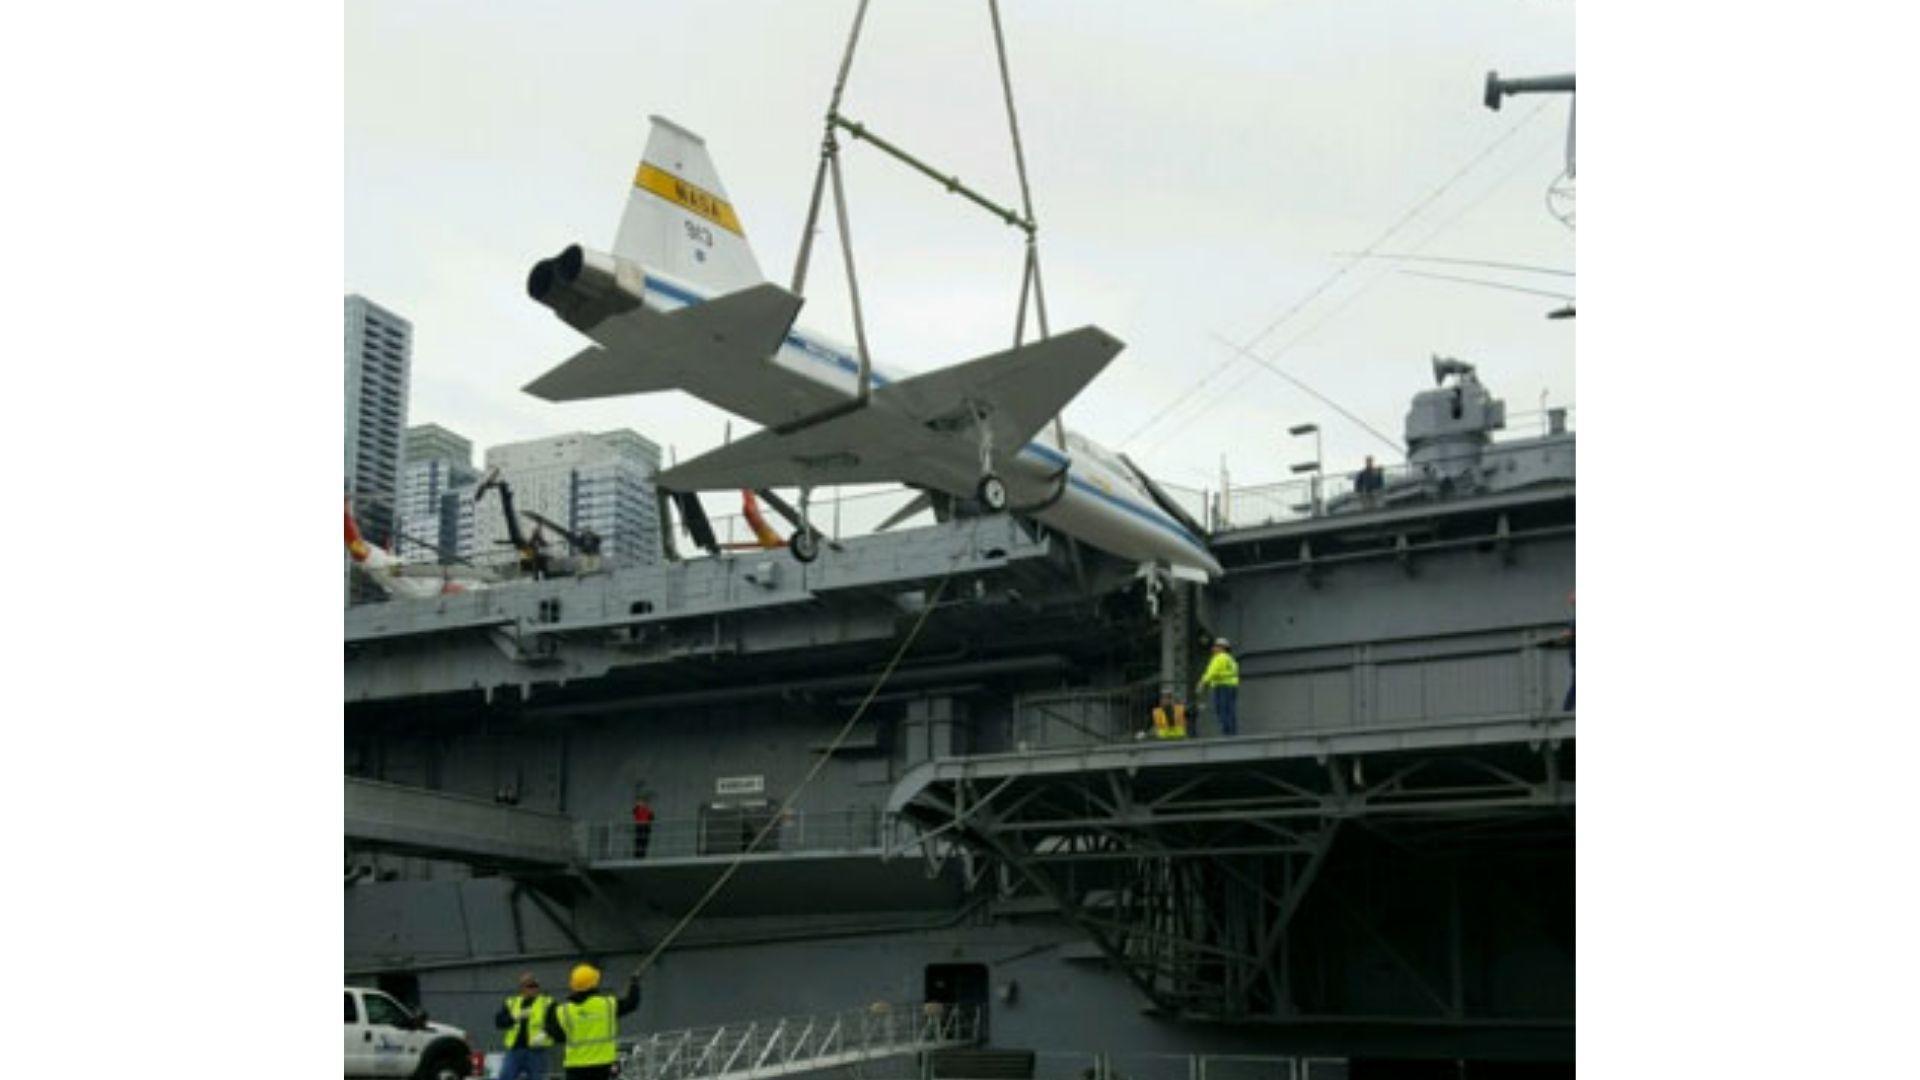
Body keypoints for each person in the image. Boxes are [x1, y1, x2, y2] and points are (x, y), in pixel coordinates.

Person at [545, 964, 642, 1080]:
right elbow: (631, 1003)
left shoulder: (564, 1011)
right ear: (594, 983)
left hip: (575, 1068)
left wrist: (550, 1011)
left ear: (573, 986)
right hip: (603, 1066)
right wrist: (634, 984)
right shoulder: (607, 1005)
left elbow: (556, 1036)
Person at [493, 972, 554, 1080]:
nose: (534, 989)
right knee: (505, 1076)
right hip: (515, 1050)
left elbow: (556, 1023)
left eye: (535, 986)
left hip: (537, 1051)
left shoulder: (547, 1003)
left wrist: (545, 1034)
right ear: (522, 988)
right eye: (530, 986)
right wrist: (514, 1018)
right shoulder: (511, 1002)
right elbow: (499, 1022)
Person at [1196, 638, 1241, 736]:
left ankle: (1227, 732)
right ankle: (1232, 733)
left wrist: (1202, 683)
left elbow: (1212, 672)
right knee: (1230, 710)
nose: (1213, 648)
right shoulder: (1231, 659)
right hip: (1232, 686)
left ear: (1221, 648)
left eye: (1216, 646)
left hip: (1222, 686)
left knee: (1222, 710)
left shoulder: (1219, 658)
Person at [631, 794, 653, 860]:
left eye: (643, 802)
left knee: (644, 842)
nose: (643, 803)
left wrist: (649, 811)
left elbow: (651, 817)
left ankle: (642, 855)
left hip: (645, 827)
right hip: (640, 827)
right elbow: (634, 811)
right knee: (638, 841)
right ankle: (637, 855)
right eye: (641, 802)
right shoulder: (638, 809)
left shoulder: (647, 810)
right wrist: (638, 805)